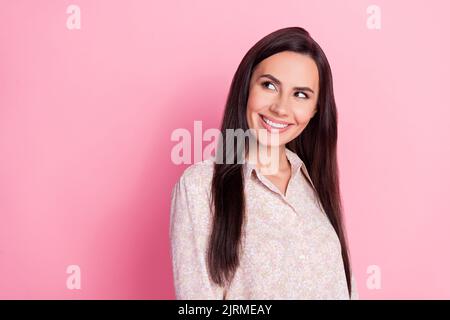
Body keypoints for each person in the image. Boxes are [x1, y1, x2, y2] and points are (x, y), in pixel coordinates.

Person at [169, 26, 358, 299]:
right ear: (246, 88)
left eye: (301, 94)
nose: (281, 108)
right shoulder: (199, 187)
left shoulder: (314, 184)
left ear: (316, 110)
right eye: (269, 85)